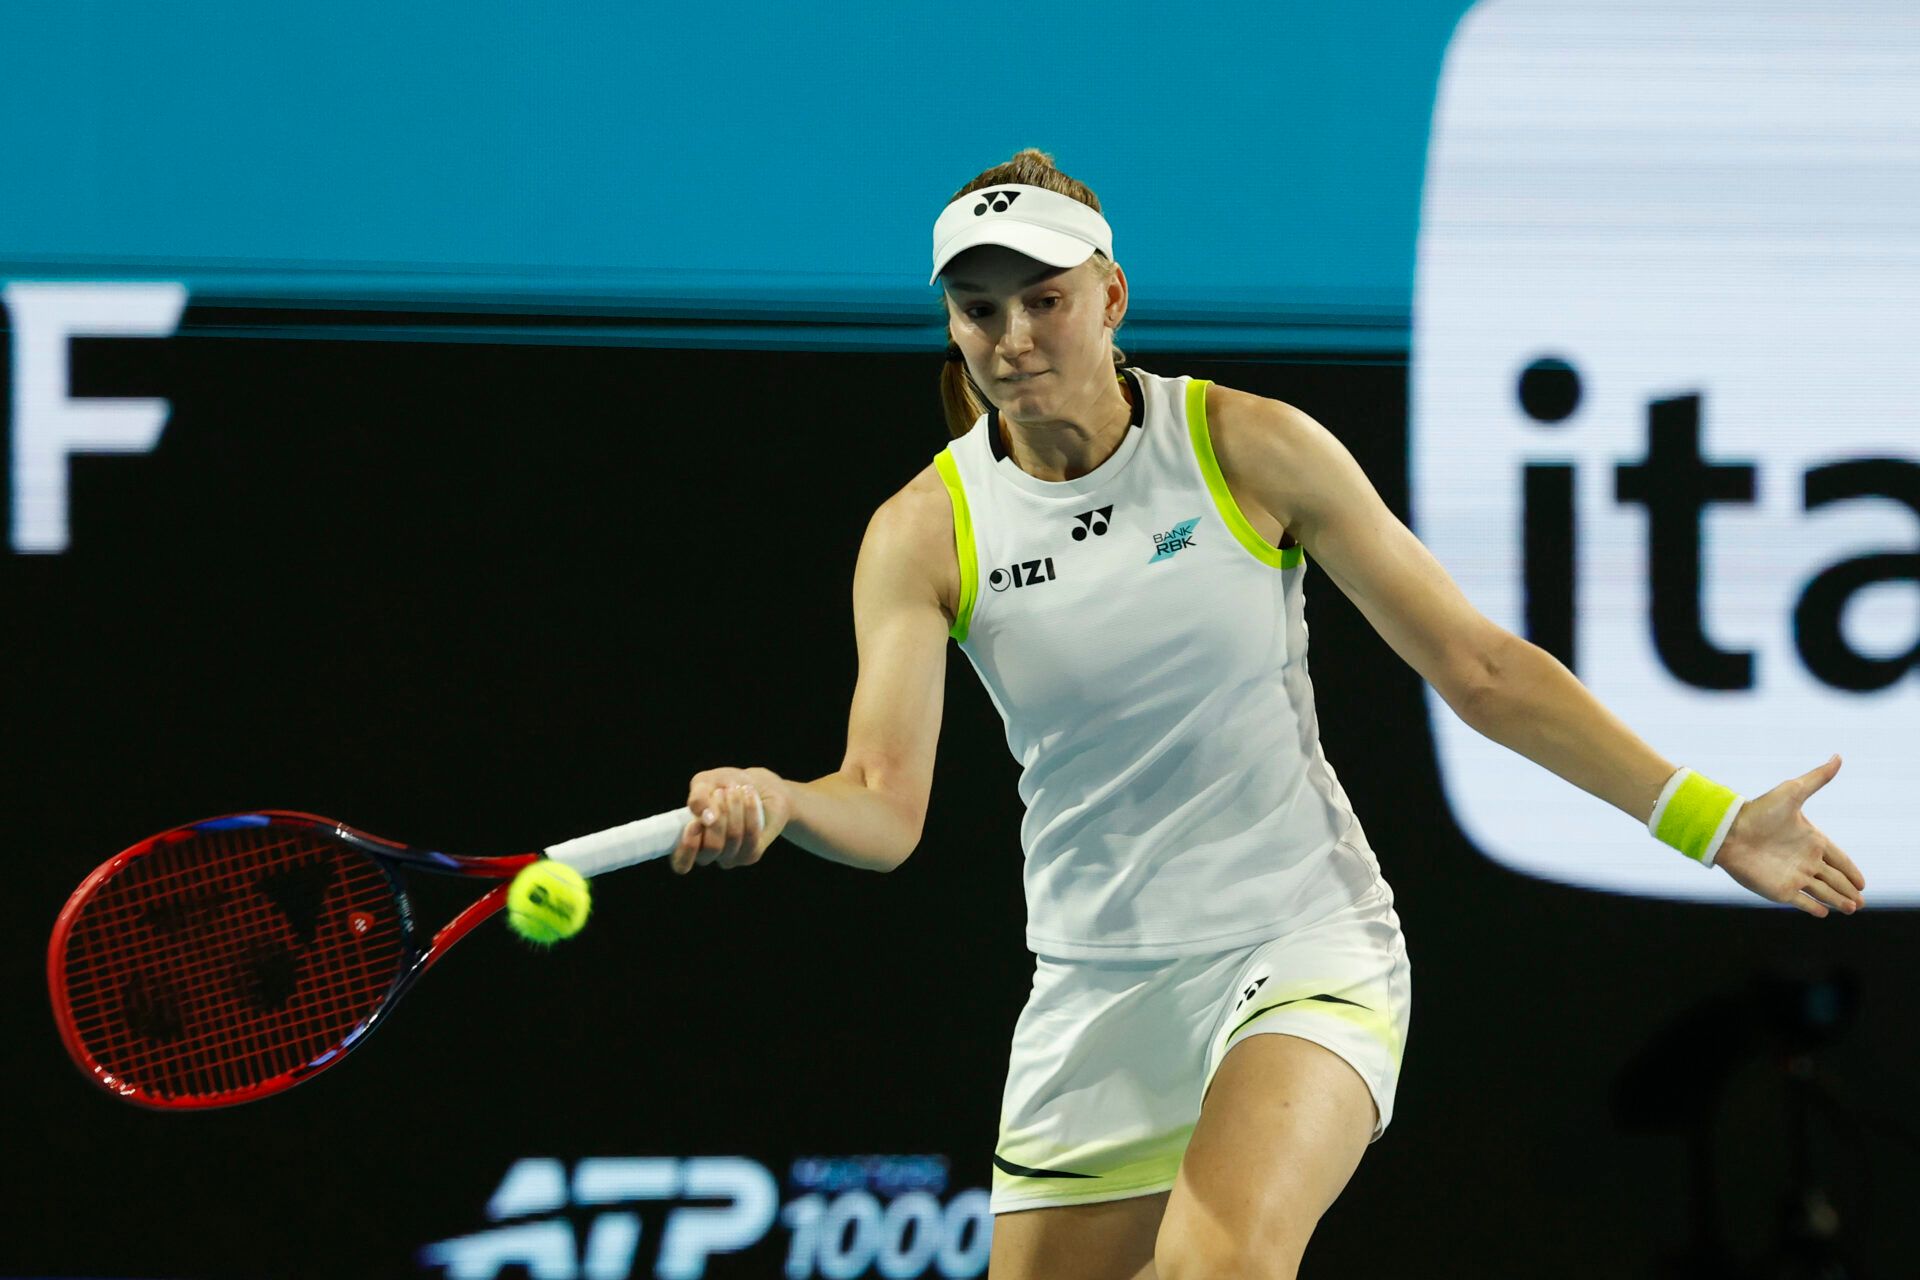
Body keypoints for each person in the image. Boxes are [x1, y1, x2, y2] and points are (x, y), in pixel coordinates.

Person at [664, 149, 1869, 1280]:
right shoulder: (923, 530)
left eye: (1045, 297)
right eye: (980, 308)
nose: (1014, 335)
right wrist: (778, 801)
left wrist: (1709, 820)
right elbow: (881, 805)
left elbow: (1480, 667)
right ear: (951, 325)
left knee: (1216, 1260)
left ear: (1112, 294)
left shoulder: (1246, 445)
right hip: (1096, 990)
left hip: (1298, 943)